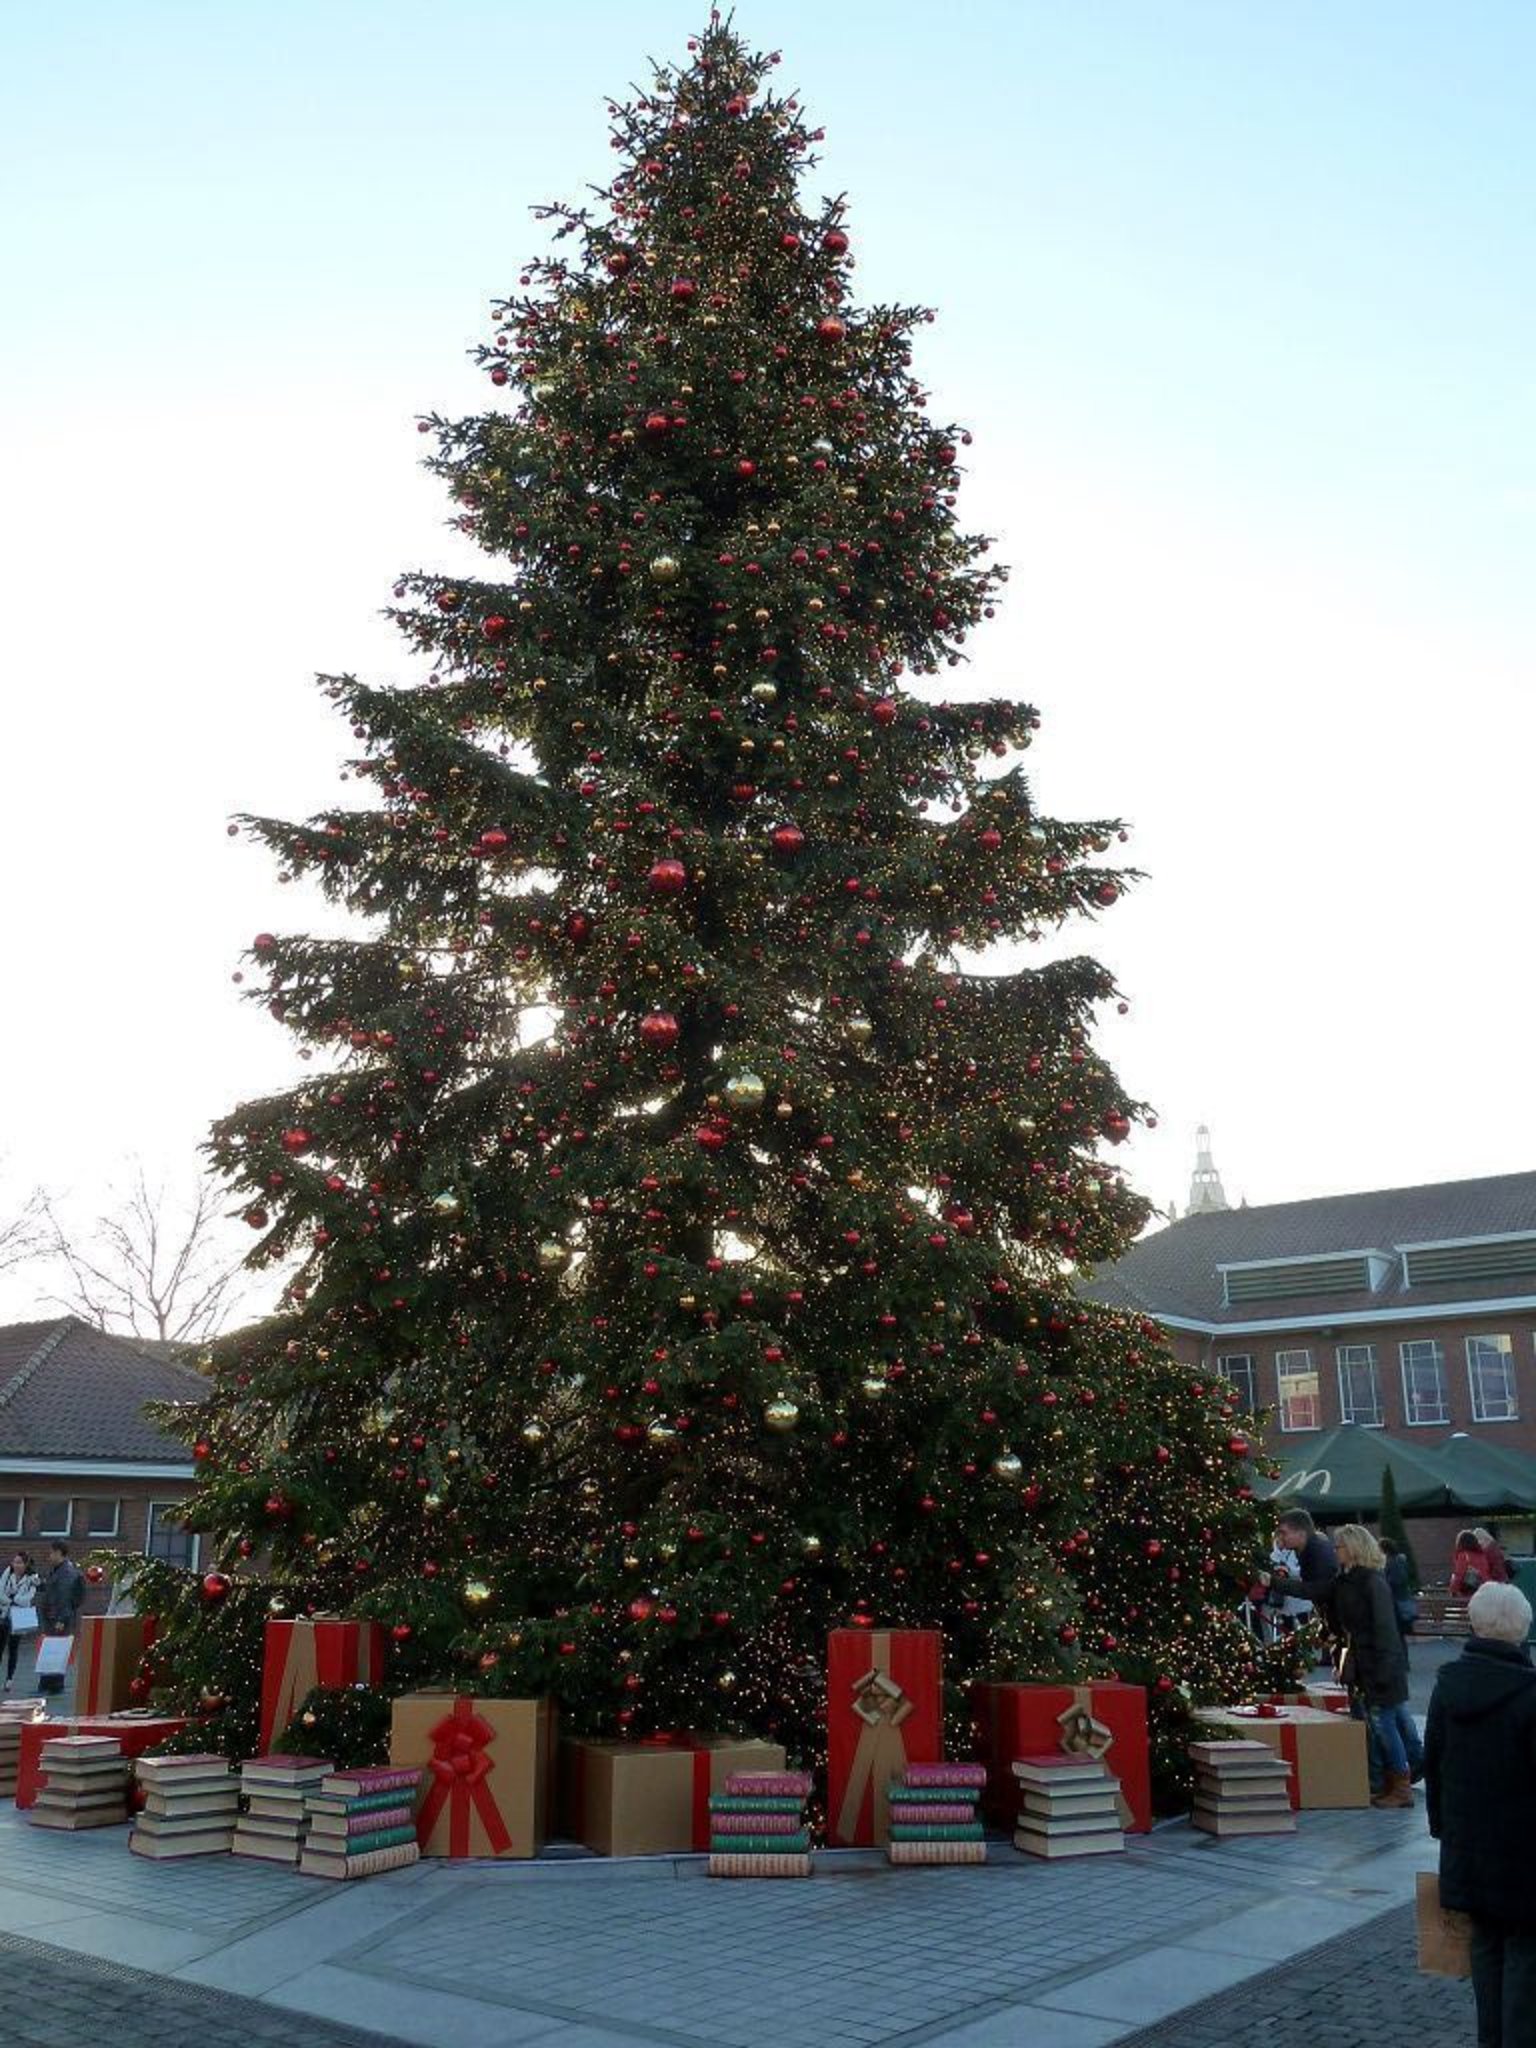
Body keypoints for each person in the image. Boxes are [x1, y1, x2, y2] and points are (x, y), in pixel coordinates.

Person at [1426, 1581, 1536, 2048]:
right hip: (1524, 1859)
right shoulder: (1529, 1695)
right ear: (1521, 1629)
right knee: (1525, 1960)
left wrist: (1445, 1833)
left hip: (1467, 1853)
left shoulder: (1446, 1688)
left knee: (1486, 1951)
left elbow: (1433, 1768)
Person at [1331, 1523, 1420, 1807]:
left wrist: (1382, 1671)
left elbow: (1385, 1630)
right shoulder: (1351, 1580)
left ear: (1354, 1548)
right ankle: (1398, 1781)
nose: (1336, 1551)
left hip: (1381, 1668)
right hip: (1372, 1667)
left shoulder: (1372, 1581)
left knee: (1386, 1725)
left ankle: (1401, 1785)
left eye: (1340, 1546)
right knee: (1386, 1724)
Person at [1271, 1508, 1339, 1623]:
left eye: (1284, 1533)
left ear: (1301, 1533)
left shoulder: (1318, 1552)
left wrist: (1273, 1582)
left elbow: (1316, 1589)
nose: (1280, 1537)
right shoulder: (1309, 1550)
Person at [0, 1551, 39, 1692]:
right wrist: (10, 1600)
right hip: (3, 1615)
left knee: (13, 1648)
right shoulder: (7, 1574)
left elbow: (27, 1598)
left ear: (25, 1564)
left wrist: (13, 1599)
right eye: (14, 1562)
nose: (16, 1565)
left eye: (19, 1562)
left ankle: (9, 1679)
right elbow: (0, 1592)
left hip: (19, 1617)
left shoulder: (32, 1579)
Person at [37, 1541, 85, 1637]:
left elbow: (65, 1597)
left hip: (58, 1620)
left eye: (51, 1553)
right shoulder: (58, 1570)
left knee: (57, 1649)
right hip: (53, 1618)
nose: (49, 1557)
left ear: (58, 1553)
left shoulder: (66, 1573)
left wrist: (62, 1620)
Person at [1380, 1536, 1417, 1645]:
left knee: (1398, 1635)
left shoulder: (1393, 1561)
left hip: (1398, 1602)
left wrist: (1384, 1583)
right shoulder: (1398, 1560)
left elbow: (1397, 1580)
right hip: (1400, 1600)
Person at [1451, 1528, 1491, 1597]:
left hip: (1470, 1591)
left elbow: (1459, 1574)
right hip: (1485, 1588)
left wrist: (1453, 1589)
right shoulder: (1481, 1555)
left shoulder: (1464, 1555)